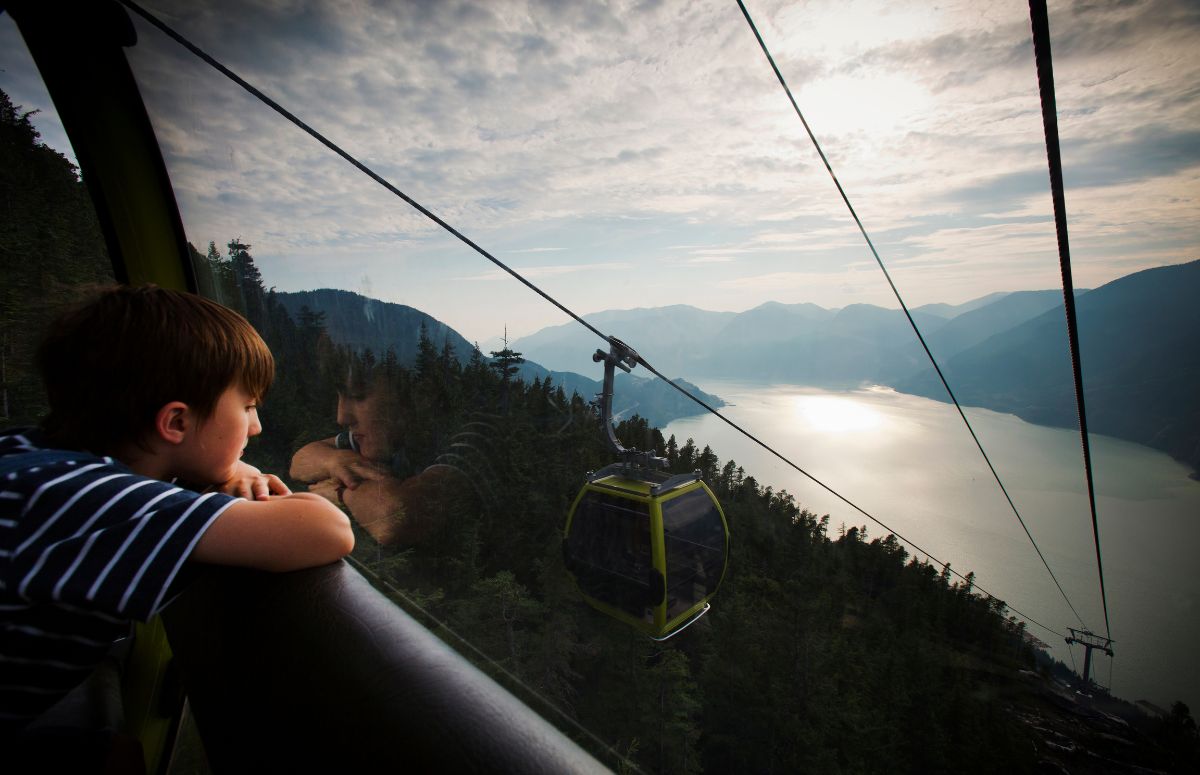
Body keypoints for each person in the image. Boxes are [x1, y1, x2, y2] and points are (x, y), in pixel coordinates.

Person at [0, 285, 355, 741]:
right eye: (247, 406)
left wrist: (227, 465)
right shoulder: (105, 504)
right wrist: (228, 473)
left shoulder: (32, 455)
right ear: (176, 423)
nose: (256, 426)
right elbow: (327, 529)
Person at [290, 356, 471, 547]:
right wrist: (334, 461)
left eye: (359, 396)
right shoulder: (388, 436)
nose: (341, 417)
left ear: (412, 398)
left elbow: (395, 518)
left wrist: (340, 492)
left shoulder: (463, 443)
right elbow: (300, 461)